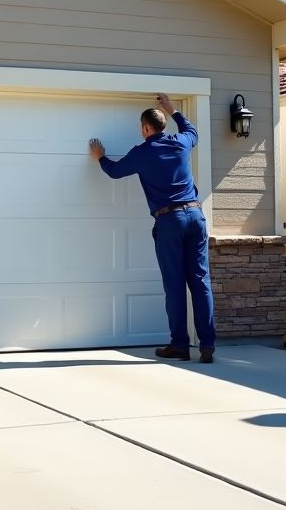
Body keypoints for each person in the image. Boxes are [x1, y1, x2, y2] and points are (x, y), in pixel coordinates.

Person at [88, 94, 216, 363]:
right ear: (164, 125)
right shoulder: (181, 143)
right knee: (200, 281)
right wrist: (172, 110)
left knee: (175, 284)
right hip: (195, 215)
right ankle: (207, 346)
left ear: (146, 128)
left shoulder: (143, 152)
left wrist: (100, 157)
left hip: (170, 221)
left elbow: (114, 171)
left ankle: (180, 345)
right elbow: (192, 131)